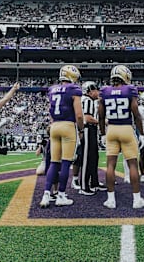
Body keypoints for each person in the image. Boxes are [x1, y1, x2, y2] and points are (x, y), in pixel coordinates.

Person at [98, 65, 144, 209]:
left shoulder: (105, 91)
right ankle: (136, 199)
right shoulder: (129, 89)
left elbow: (101, 116)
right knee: (133, 164)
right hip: (126, 128)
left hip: (111, 129)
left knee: (110, 165)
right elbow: (136, 114)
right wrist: (142, 133)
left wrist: (102, 133)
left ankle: (111, 200)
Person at [39, 65, 84, 208]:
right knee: (65, 163)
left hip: (55, 126)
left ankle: (46, 194)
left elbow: (51, 110)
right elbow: (78, 114)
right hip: (68, 126)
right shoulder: (74, 90)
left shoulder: (52, 89)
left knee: (53, 162)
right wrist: (81, 129)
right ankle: (61, 195)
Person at [77, 81, 104, 196]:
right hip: (88, 129)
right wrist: (102, 122)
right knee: (87, 158)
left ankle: (94, 183)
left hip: (92, 129)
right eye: (96, 90)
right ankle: (84, 186)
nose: (97, 92)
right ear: (90, 91)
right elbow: (87, 118)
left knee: (94, 157)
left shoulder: (90, 100)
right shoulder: (87, 100)